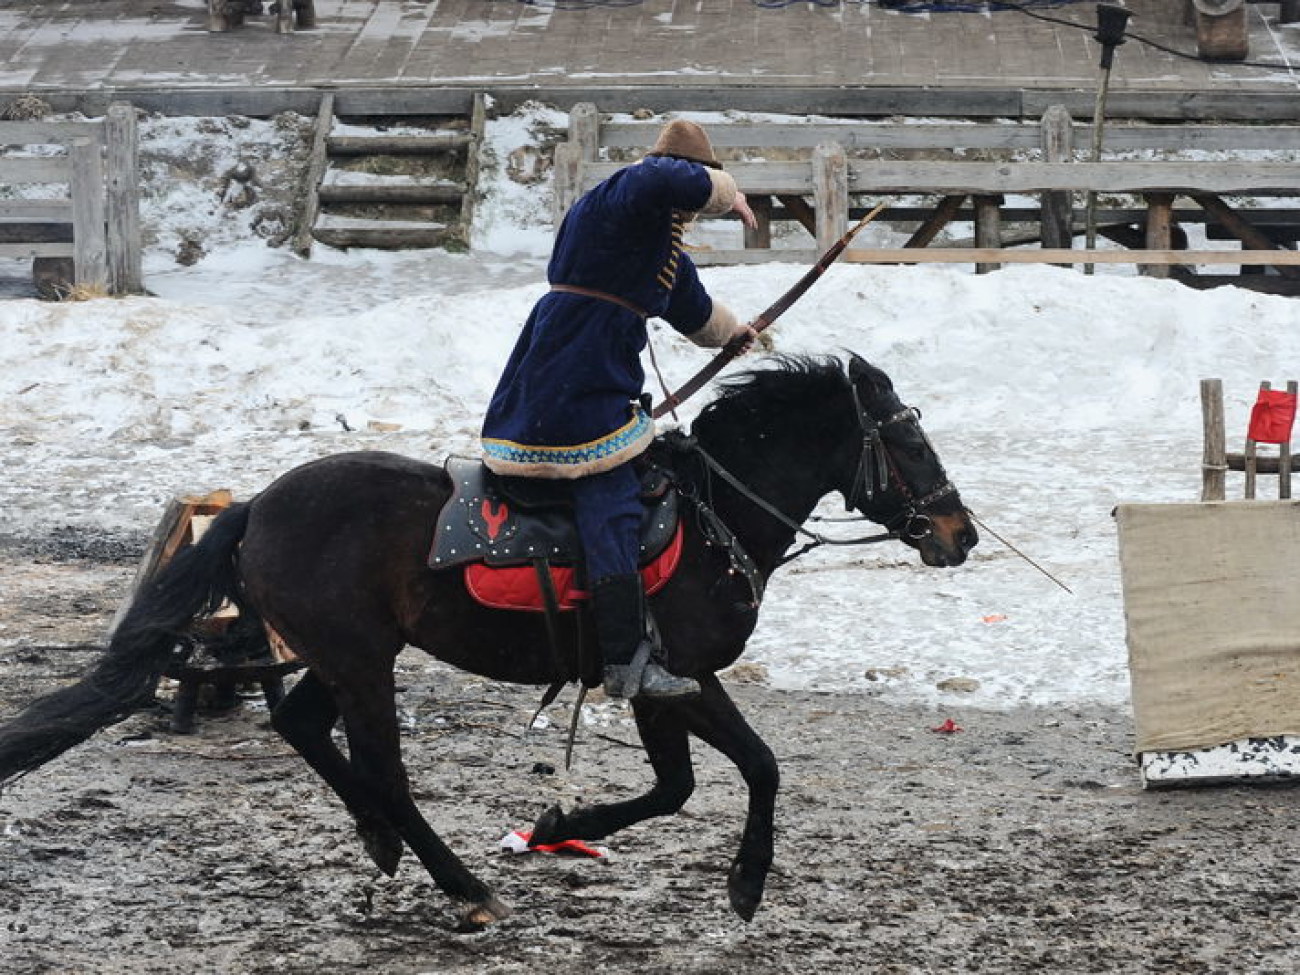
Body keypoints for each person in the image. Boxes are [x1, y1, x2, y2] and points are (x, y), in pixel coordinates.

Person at [481, 119, 758, 699]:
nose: (691, 212)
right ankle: (622, 660)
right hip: (573, 366)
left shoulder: (657, 236)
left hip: (594, 364)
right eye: (697, 194)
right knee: (609, 495)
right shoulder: (625, 193)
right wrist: (728, 194)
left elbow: (691, 306)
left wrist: (732, 333)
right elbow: (660, 177)